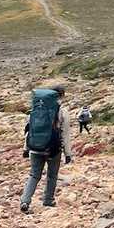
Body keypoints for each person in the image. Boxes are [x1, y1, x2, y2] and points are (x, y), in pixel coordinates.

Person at [21, 82, 73, 213]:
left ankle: (25, 201)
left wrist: (26, 148)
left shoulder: (35, 109)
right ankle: (48, 200)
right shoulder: (62, 111)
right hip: (53, 149)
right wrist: (68, 153)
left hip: (34, 148)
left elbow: (29, 130)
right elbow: (65, 134)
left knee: (34, 175)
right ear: (62, 95)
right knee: (52, 175)